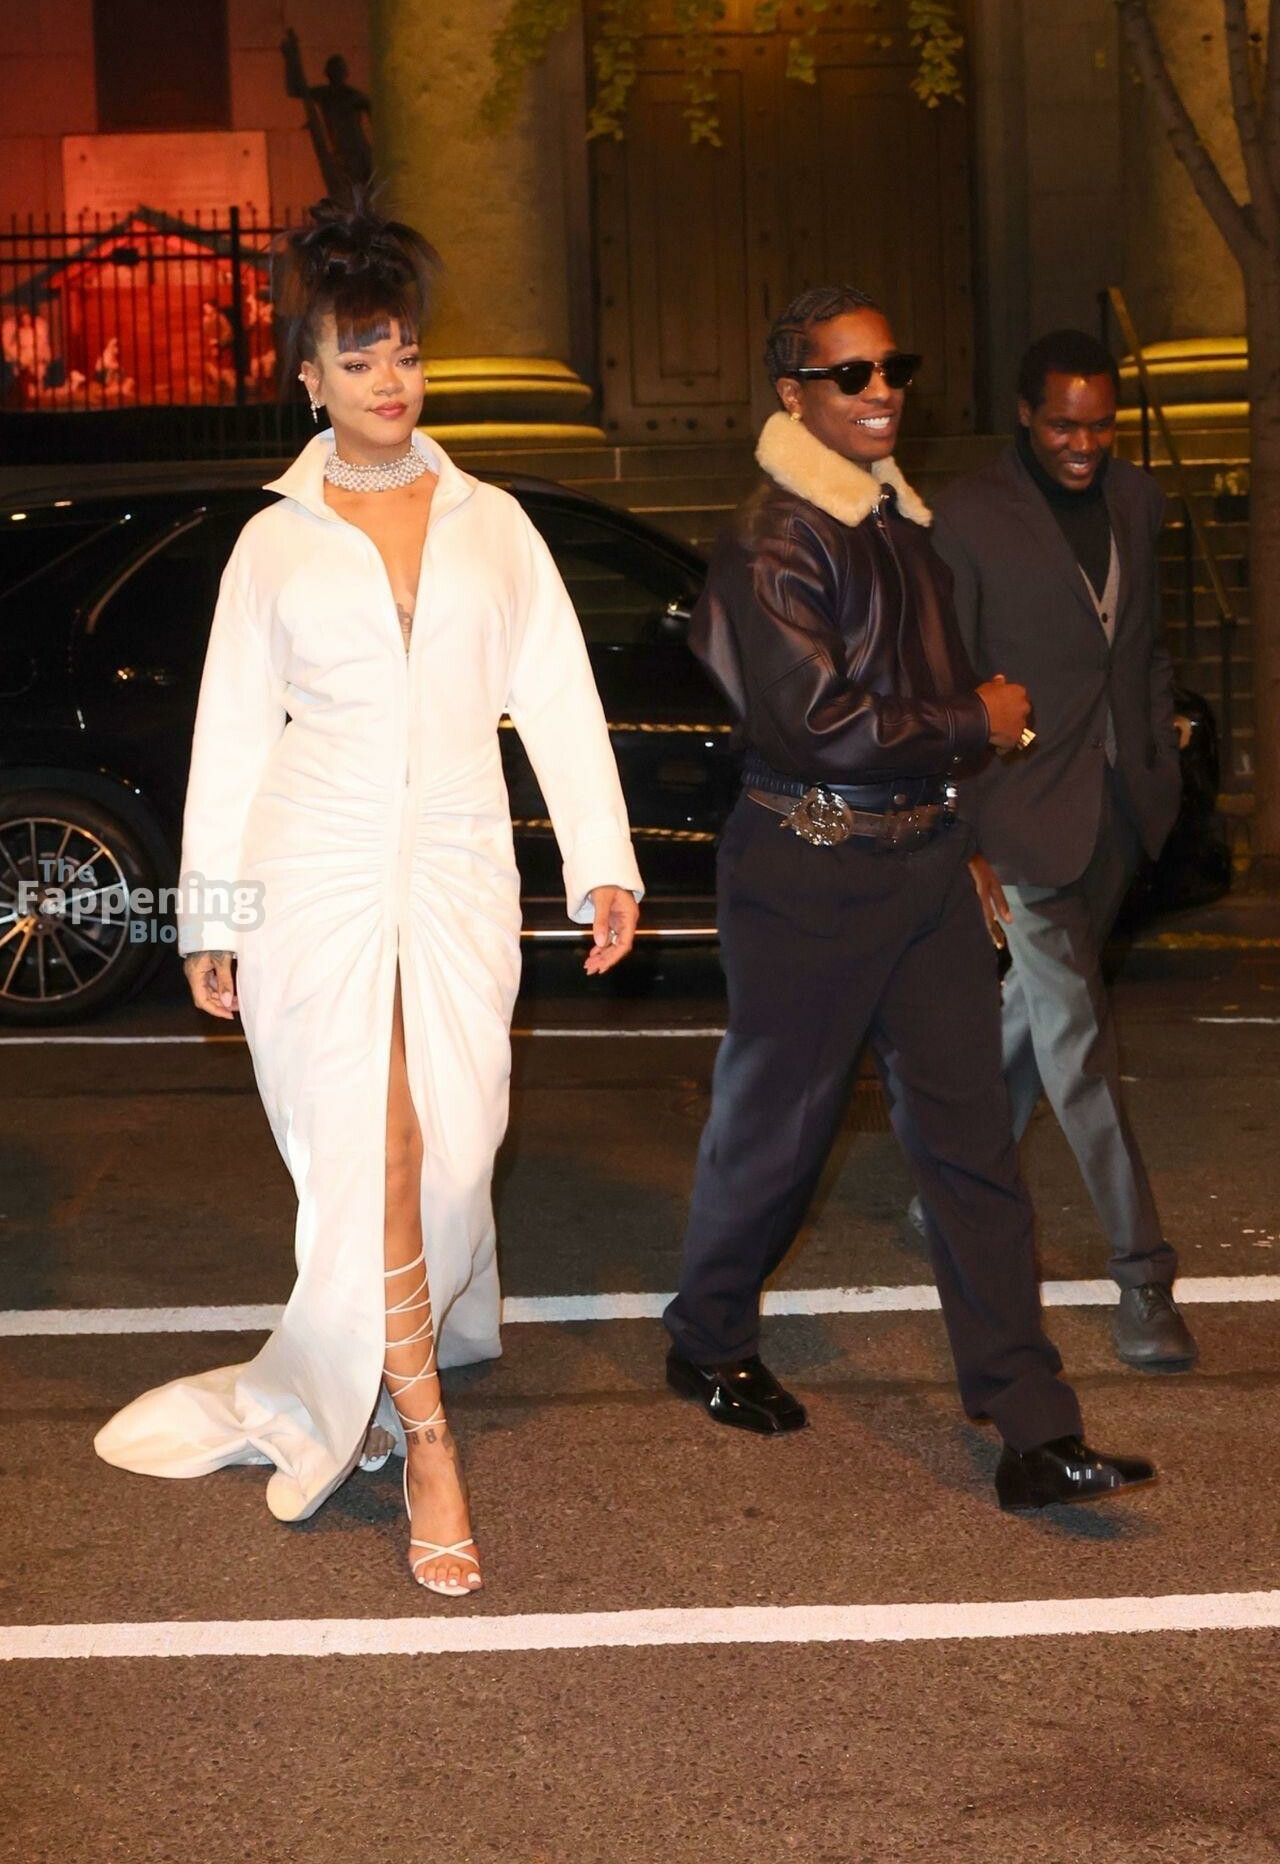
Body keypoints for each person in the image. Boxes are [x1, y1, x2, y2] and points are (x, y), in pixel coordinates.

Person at [93, 192, 644, 1591]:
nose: (390, 379)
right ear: (309, 379)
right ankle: (426, 1435)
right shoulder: (274, 541)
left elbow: (558, 698)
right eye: (358, 357)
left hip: (457, 867)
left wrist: (600, 860)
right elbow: (229, 734)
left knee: (454, 1147)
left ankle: (373, 1372)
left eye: (403, 351)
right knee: (370, 1152)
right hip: (313, 872)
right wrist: (212, 917)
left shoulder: (492, 524)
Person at [662, 284, 1156, 1511]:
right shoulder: (771, 539)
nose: (880, 389)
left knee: (972, 1150)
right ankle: (708, 1337)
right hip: (807, 868)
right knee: (777, 1132)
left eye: (892, 368)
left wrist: (964, 826)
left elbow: (917, 703)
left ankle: (1033, 1430)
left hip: (924, 861)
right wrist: (972, 721)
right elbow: (817, 723)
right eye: (851, 374)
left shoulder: (895, 519)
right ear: (793, 395)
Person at [913, 330, 1196, 1371]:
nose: (1084, 445)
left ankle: (944, 1172)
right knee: (1077, 1040)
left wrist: (1155, 759)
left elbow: (1142, 648)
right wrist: (963, 830)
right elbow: (947, 683)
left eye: (1101, 425)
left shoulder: (1138, 501)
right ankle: (1142, 1278)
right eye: (1064, 426)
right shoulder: (968, 517)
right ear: (1026, 417)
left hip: (1119, 807)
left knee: (1036, 1013)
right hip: (1020, 817)